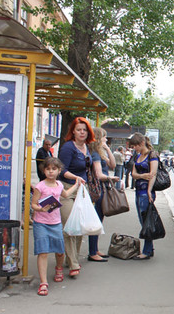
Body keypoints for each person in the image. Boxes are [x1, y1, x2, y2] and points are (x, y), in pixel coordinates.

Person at [31, 157, 81, 296]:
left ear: (59, 171)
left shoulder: (59, 184)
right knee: (43, 252)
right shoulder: (40, 186)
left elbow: (65, 194)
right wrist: (40, 209)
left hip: (56, 223)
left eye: (54, 169)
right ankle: (43, 282)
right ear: (44, 170)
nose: (51, 172)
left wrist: (76, 185)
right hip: (41, 223)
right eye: (48, 169)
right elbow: (33, 204)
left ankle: (59, 268)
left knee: (59, 251)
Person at [58, 117, 95, 277]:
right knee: (70, 227)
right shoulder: (68, 147)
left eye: (84, 130)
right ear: (73, 131)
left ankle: (71, 258)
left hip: (82, 191)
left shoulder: (86, 147)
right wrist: (75, 178)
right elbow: (61, 170)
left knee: (80, 227)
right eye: (79, 129)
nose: (82, 132)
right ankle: (73, 263)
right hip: (67, 189)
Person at [87, 127, 119, 262]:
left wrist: (107, 148)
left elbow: (113, 164)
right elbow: (99, 175)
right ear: (99, 138)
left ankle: (95, 249)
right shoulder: (95, 154)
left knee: (99, 221)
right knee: (96, 221)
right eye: (104, 137)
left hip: (102, 189)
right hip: (98, 190)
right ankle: (92, 252)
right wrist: (112, 179)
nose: (106, 139)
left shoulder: (100, 153)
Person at [129, 132, 158, 260]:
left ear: (141, 144)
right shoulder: (137, 156)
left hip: (146, 193)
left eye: (135, 146)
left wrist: (149, 190)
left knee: (146, 222)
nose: (133, 148)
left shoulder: (152, 155)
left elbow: (153, 174)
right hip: (138, 190)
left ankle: (146, 251)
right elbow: (133, 174)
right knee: (143, 221)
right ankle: (149, 248)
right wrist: (142, 176)